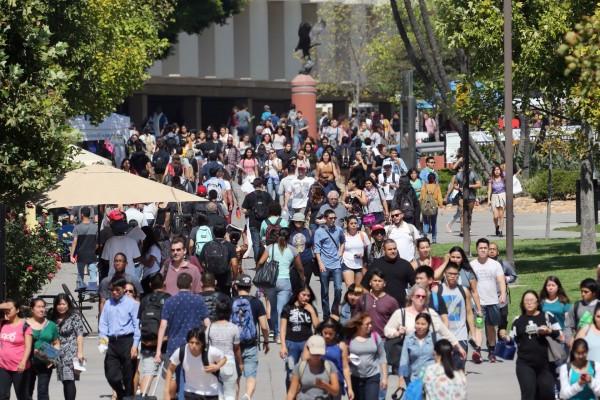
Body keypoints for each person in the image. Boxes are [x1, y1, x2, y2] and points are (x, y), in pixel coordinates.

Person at [154, 273, 210, 398]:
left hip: (174, 346)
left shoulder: (169, 302)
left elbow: (163, 326)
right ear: (191, 284)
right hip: (194, 346)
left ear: (177, 285)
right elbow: (207, 324)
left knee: (176, 377)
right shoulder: (198, 300)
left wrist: (158, 351)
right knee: (190, 380)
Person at [500, 290, 561, 400]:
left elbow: (561, 336)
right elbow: (512, 340)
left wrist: (549, 331)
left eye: (531, 300)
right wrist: (505, 336)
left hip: (546, 364)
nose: (529, 303)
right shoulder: (518, 320)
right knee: (528, 394)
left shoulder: (547, 317)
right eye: (526, 301)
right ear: (523, 304)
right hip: (525, 364)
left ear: (537, 303)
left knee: (547, 394)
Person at [257, 228, 304, 341]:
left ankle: (275, 331)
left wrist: (260, 272)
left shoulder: (270, 248)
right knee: (281, 309)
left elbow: (260, 262)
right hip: (284, 281)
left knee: (273, 308)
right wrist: (302, 278)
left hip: (271, 282)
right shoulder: (293, 250)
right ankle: (279, 335)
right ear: (289, 238)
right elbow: (300, 268)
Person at [98, 277, 141, 400]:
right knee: (111, 375)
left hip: (127, 341)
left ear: (123, 289)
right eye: (112, 290)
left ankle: (127, 396)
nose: (114, 293)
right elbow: (103, 324)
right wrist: (103, 342)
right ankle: (120, 394)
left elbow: (136, 325)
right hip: (112, 342)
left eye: (117, 290)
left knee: (128, 376)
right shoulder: (108, 303)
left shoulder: (132, 304)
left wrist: (135, 345)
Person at [231, 275, 270, 400]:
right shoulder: (256, 302)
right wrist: (266, 340)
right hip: (250, 344)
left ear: (236, 287)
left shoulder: (231, 302)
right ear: (250, 287)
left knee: (235, 377)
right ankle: (247, 395)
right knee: (251, 375)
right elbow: (264, 326)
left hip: (233, 346)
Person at [470, 238, 507, 362]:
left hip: (492, 302)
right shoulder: (472, 265)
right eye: (481, 248)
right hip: (479, 304)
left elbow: (501, 280)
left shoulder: (495, 264)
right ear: (477, 249)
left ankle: (492, 351)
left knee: (491, 327)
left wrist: (503, 294)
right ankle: (478, 350)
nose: (483, 250)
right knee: (479, 326)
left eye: (485, 248)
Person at [164, 327, 227, 400]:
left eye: (197, 343)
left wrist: (217, 366)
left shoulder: (211, 351)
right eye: (191, 342)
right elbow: (170, 369)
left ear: (202, 343)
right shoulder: (181, 351)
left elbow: (224, 358)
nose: (194, 346)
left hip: (211, 392)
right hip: (191, 391)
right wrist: (166, 392)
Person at [280, 285, 319, 388]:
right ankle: (290, 394)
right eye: (303, 295)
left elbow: (318, 327)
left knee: (307, 371)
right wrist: (283, 346)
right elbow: (283, 329)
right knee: (291, 371)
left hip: (307, 343)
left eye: (308, 296)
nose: (306, 298)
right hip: (291, 343)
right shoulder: (288, 308)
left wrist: (312, 312)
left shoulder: (310, 308)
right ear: (297, 295)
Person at [137, 273, 170, 396]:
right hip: (166, 343)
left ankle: (144, 396)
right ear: (164, 284)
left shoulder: (145, 300)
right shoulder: (169, 299)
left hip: (148, 343)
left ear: (150, 285)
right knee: (171, 376)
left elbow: (139, 320)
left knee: (148, 373)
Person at [439, 263, 476, 370]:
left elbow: (469, 312)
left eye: (455, 274)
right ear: (445, 274)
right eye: (450, 273)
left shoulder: (464, 291)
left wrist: (473, 333)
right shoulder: (438, 290)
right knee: (445, 370)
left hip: (461, 335)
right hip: (443, 336)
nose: (453, 276)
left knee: (459, 369)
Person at [50, 294, 85, 400]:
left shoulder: (74, 316)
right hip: (58, 352)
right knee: (64, 381)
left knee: (70, 380)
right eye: (59, 304)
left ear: (68, 305)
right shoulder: (53, 317)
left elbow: (79, 335)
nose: (61, 306)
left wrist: (80, 352)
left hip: (71, 352)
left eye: (64, 304)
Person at [207, 298, 242, 400]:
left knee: (217, 394)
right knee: (230, 394)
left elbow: (206, 346)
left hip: (213, 363)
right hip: (229, 362)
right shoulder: (233, 328)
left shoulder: (209, 328)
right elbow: (237, 348)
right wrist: (240, 363)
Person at [346, 313, 388, 400]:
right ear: (358, 325)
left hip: (373, 377)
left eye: (371, 323)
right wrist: (348, 359)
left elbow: (382, 357)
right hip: (355, 377)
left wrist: (384, 377)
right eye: (367, 324)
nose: (370, 326)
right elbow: (344, 357)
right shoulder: (350, 338)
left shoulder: (375, 337)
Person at [362, 239, 415, 307]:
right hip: (380, 307)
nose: (393, 251)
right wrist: (370, 302)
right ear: (384, 250)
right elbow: (364, 286)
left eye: (394, 249)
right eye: (390, 249)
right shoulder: (376, 264)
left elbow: (415, 285)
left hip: (400, 306)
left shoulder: (405, 265)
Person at [287, 335, 340, 400]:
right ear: (308, 349)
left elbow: (336, 392)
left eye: (319, 354)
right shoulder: (299, 367)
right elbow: (292, 392)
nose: (316, 357)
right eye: (314, 353)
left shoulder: (330, 366)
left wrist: (325, 385)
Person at [314, 209, 345, 320]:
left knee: (338, 289)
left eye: (334, 218)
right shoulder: (319, 231)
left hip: (336, 263)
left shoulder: (339, 229)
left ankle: (334, 310)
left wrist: (340, 251)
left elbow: (343, 241)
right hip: (324, 264)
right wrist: (320, 264)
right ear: (325, 219)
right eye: (330, 218)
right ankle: (326, 315)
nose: (333, 220)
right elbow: (317, 249)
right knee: (325, 291)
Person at [26, 298, 60, 400]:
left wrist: (53, 357)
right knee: (27, 392)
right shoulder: (24, 324)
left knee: (43, 392)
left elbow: (56, 342)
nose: (42, 310)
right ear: (32, 309)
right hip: (28, 362)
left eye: (43, 307)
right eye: (38, 307)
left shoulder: (51, 325)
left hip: (45, 362)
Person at [0, 299, 32, 400]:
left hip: (19, 367)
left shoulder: (25, 325)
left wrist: (23, 362)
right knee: (2, 395)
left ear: (17, 310)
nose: (7, 310)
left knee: (23, 396)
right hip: (3, 366)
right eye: (5, 309)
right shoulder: (2, 324)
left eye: (10, 308)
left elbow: (28, 346)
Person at [355, 269, 399, 338]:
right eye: (375, 281)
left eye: (380, 281)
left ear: (384, 283)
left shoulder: (391, 301)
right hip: (366, 338)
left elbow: (397, 321)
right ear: (370, 282)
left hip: (384, 339)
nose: (377, 283)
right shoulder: (363, 299)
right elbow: (356, 318)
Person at [398, 312, 437, 388]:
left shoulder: (435, 338)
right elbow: (404, 359)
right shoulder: (408, 339)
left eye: (423, 324)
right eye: (417, 323)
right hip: (413, 380)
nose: (419, 326)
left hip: (432, 380)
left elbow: (442, 358)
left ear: (428, 325)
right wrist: (401, 378)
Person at [199, 224, 239, 296]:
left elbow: (202, 262)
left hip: (211, 279)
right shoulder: (230, 246)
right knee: (225, 299)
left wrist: (208, 270)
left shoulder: (207, 245)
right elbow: (234, 264)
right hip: (225, 279)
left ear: (213, 233)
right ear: (225, 233)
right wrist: (235, 278)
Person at [241, 178, 272, 262]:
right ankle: (266, 260)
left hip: (253, 222)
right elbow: (272, 208)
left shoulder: (249, 196)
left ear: (253, 185)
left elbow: (243, 209)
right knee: (266, 242)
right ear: (262, 185)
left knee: (256, 243)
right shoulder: (267, 195)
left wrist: (249, 212)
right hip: (266, 223)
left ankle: (258, 262)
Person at [70, 206, 98, 288]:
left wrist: (72, 256)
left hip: (81, 254)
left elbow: (74, 242)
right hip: (92, 254)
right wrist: (94, 249)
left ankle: (80, 289)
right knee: (93, 274)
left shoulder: (77, 227)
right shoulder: (95, 227)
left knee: (80, 274)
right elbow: (97, 243)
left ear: (81, 215)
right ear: (90, 215)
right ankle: (92, 291)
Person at [566, 279, 599, 346]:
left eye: (586, 292)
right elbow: (568, 325)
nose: (583, 294)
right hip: (579, 344)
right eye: (581, 291)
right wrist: (569, 339)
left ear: (594, 293)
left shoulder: (599, 306)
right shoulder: (576, 306)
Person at [452, 165, 481, 236]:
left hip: (471, 196)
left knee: (469, 213)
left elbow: (479, 184)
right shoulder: (458, 175)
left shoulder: (473, 174)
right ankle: (462, 230)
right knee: (462, 213)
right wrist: (459, 188)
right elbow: (455, 185)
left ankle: (468, 227)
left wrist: (470, 186)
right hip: (461, 196)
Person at [342, 216, 369, 287]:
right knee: (350, 287)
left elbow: (368, 249)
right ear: (347, 224)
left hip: (360, 264)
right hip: (347, 263)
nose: (354, 225)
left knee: (358, 289)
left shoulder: (362, 234)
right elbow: (340, 250)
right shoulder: (343, 236)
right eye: (351, 223)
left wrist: (363, 255)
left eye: (355, 223)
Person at [288, 212, 315, 286]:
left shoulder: (309, 232)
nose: (298, 222)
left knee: (305, 285)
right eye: (296, 221)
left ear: (303, 222)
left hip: (307, 262)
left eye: (300, 221)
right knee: (294, 285)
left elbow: (314, 245)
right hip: (292, 263)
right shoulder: (289, 232)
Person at [420, 172, 443, 243]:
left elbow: (421, 197)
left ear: (428, 179)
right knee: (433, 223)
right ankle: (434, 239)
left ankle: (425, 235)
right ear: (434, 179)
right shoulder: (437, 186)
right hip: (434, 207)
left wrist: (421, 205)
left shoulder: (424, 186)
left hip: (426, 206)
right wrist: (441, 205)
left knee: (426, 222)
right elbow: (439, 197)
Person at [488, 165, 507, 237]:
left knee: (501, 215)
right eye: (495, 170)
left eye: (498, 169)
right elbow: (489, 190)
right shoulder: (491, 179)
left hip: (502, 195)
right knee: (495, 216)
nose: (497, 171)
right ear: (493, 171)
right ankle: (497, 227)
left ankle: (501, 231)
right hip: (494, 197)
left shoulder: (503, 178)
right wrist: (489, 200)